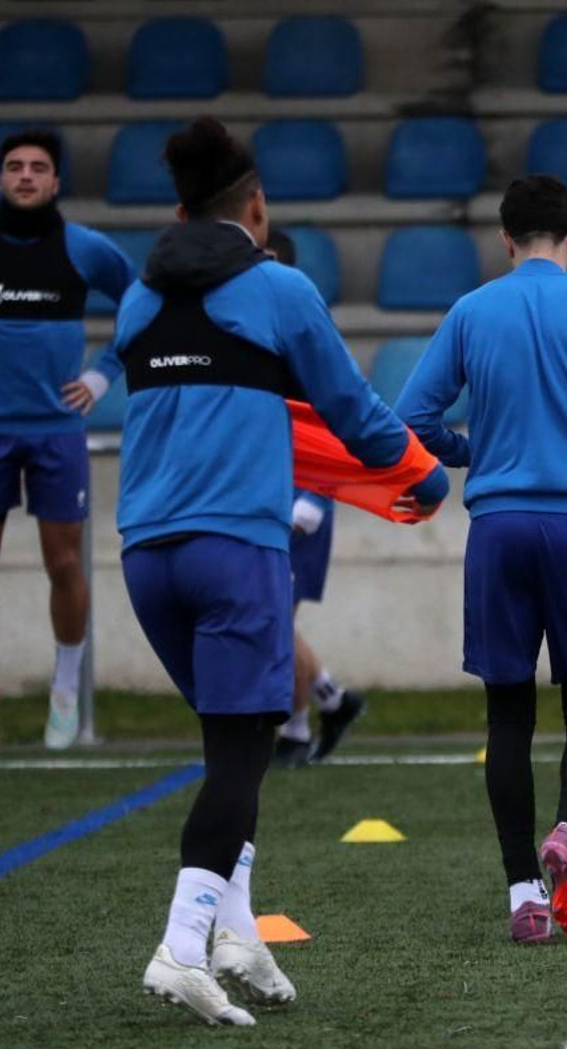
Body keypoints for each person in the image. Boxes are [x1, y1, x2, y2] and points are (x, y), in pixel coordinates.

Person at [113, 118, 447, 1023]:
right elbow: (350, 408)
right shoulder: (279, 287)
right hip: (235, 550)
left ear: (179, 205)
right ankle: (184, 947)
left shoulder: (136, 303)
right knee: (240, 751)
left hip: (146, 555)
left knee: (237, 745)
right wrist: (421, 470)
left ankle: (238, 930)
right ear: (255, 205)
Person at [395, 174, 567, 944]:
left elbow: (412, 416)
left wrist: (469, 452)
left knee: (507, 713)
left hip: (501, 523)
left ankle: (521, 893)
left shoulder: (473, 309)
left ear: (506, 240)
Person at [0, 128, 136, 752]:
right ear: (0, 179)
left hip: (57, 433)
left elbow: (142, 301)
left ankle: (64, 695)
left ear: (57, 181)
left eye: (39, 167)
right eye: (15, 167)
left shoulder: (85, 249)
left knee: (64, 564)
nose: (27, 176)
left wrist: (102, 373)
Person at [263, 229, 368, 768]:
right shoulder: (248, 331)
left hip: (299, 497)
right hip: (262, 492)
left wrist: (316, 497)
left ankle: (301, 728)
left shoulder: (306, 333)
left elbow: (337, 416)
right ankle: (328, 701)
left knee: (274, 616)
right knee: (272, 614)